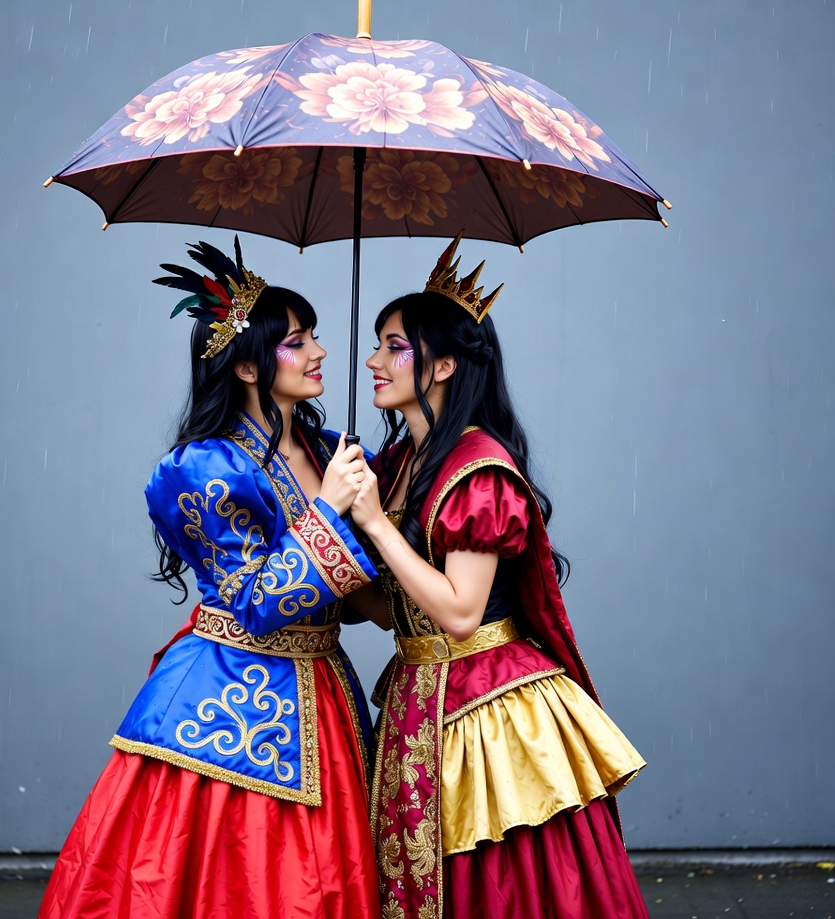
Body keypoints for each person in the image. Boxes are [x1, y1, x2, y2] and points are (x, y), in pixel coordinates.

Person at [39, 238, 382, 919]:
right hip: (231, 695)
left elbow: (350, 599)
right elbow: (258, 604)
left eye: (314, 335)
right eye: (295, 341)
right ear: (249, 366)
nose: (317, 351)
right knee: (241, 882)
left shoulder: (328, 450)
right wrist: (330, 509)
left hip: (327, 689)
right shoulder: (203, 470)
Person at [346, 234, 650, 919]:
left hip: (486, 713)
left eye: (395, 346)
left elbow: (459, 612)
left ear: (445, 364)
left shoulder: (475, 468)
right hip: (419, 699)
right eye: (378, 343)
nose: (373, 361)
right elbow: (401, 613)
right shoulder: (400, 466)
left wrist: (373, 523)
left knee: (502, 887)